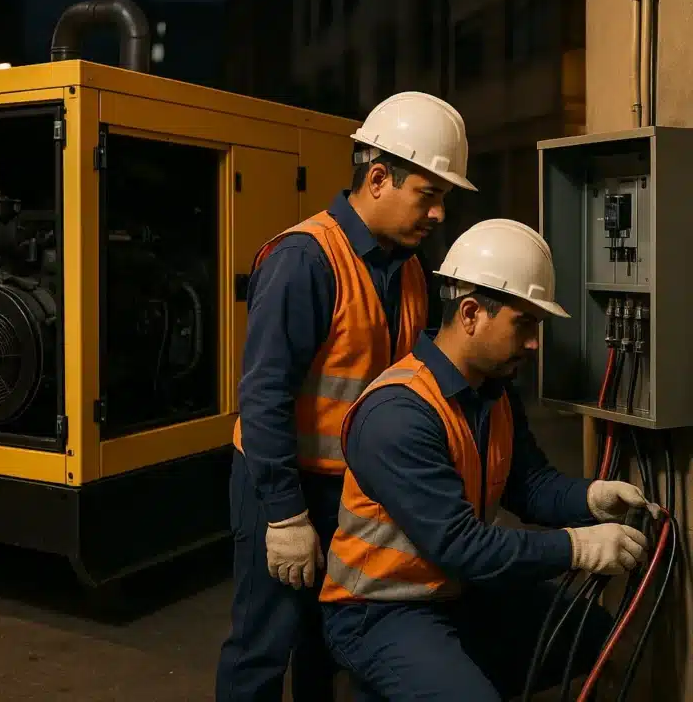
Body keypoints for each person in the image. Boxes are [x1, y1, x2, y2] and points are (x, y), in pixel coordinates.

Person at [319, 218, 656, 701]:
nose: (535, 342)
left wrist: (592, 499)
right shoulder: (398, 414)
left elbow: (531, 485)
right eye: (524, 324)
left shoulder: (493, 391)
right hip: (380, 610)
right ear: (472, 313)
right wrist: (576, 547)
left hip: (457, 593)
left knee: (593, 636)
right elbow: (461, 546)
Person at [215, 92, 479, 702]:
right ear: (379, 178)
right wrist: (284, 515)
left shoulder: (408, 268)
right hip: (283, 484)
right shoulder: (305, 259)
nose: (438, 215)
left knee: (325, 642)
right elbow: (263, 397)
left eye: (443, 199)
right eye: (429, 195)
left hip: (354, 493)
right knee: (262, 645)